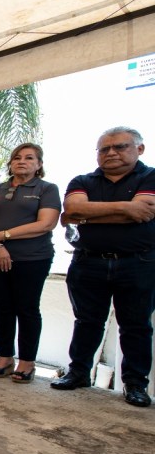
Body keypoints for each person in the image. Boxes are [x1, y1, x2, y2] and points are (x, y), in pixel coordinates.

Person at [54, 126, 155, 407]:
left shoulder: (151, 177)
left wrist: (91, 214)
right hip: (89, 262)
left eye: (120, 147)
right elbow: (72, 212)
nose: (111, 153)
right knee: (87, 322)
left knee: (135, 325)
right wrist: (126, 209)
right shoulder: (83, 180)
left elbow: (145, 211)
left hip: (138, 263)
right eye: (104, 149)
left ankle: (135, 384)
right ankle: (78, 373)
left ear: (139, 149)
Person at [0, 143, 61, 384]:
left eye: (29, 158)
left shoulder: (46, 189)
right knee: (2, 307)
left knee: (27, 308)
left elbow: (45, 224)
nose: (21, 161)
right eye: (16, 158)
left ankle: (27, 362)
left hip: (32, 258)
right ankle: (5, 357)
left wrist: (3, 236)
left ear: (39, 164)